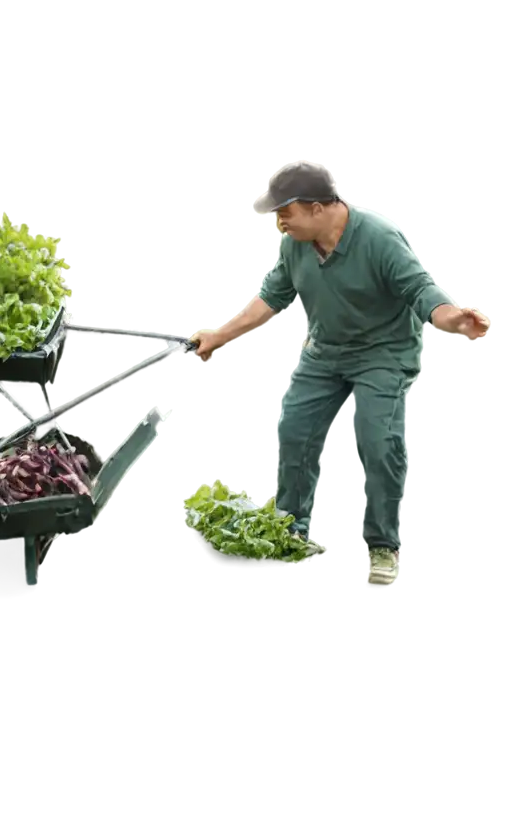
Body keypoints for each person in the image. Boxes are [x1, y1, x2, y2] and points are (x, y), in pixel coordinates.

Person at [190, 159, 491, 586]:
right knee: (291, 430)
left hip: (382, 354)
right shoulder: (296, 243)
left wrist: (453, 319)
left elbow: (420, 290)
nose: (279, 223)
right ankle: (291, 532)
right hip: (325, 352)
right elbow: (270, 298)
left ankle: (381, 545)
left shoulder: (378, 239)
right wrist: (219, 335)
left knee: (378, 439)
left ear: (316, 208)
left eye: (284, 213)